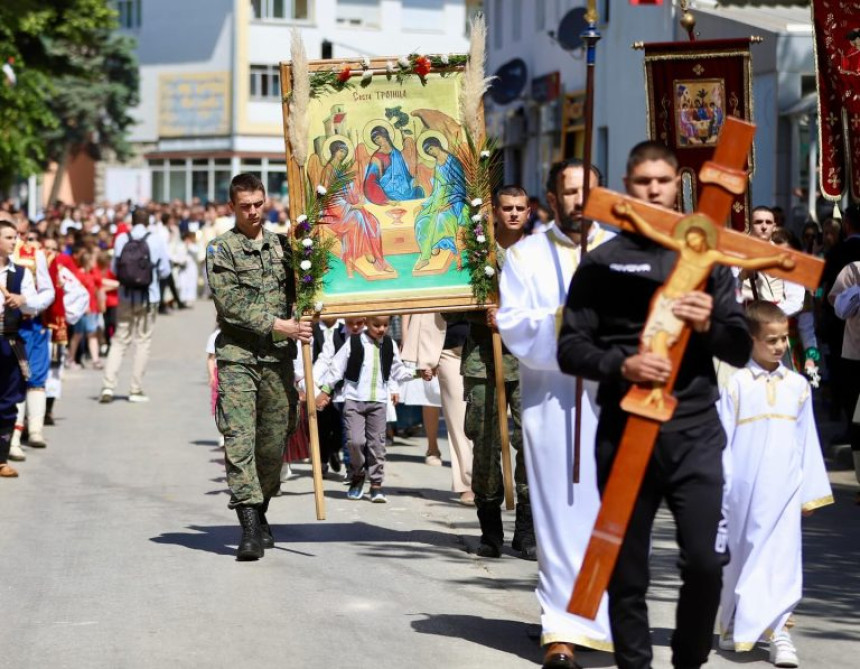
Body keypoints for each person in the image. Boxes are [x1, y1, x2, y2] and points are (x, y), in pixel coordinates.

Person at [557, 141, 752, 669]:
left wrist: (710, 321)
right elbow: (570, 348)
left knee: (706, 563)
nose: (653, 190)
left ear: (677, 186)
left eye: (662, 181)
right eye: (642, 182)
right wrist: (623, 366)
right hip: (624, 430)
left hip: (693, 431)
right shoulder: (600, 263)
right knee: (625, 569)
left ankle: (689, 661)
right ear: (626, 186)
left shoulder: (706, 261)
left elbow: (741, 346)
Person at [497, 162, 614, 667]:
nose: (579, 199)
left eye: (587, 190)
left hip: (612, 403)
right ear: (552, 197)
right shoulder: (525, 255)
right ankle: (561, 627)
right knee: (558, 515)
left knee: (607, 516)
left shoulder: (625, 252)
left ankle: (606, 621)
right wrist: (570, 322)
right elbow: (516, 327)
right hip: (553, 405)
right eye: (569, 191)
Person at [717, 301, 833, 666]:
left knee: (782, 561)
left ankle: (779, 631)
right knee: (743, 557)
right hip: (743, 493)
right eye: (772, 340)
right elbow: (721, 440)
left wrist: (811, 491)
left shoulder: (798, 385)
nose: (781, 346)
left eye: (784, 338)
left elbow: (807, 440)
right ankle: (736, 619)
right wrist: (719, 491)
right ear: (751, 340)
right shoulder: (736, 385)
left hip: (785, 490)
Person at [206, 173, 311, 561]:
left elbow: (306, 289)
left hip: (277, 361)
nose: (253, 212)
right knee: (239, 441)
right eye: (245, 206)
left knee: (272, 444)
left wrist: (306, 314)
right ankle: (248, 526)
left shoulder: (285, 246)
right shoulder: (221, 250)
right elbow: (229, 303)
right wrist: (278, 324)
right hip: (238, 359)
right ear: (232, 207)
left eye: (258, 204)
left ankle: (261, 506)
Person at [456, 185, 535, 561]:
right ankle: (490, 529)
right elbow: (449, 307)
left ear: (529, 211)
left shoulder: (538, 254)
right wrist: (479, 311)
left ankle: (526, 529)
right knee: (486, 443)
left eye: (520, 208)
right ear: (495, 213)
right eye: (507, 208)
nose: (514, 214)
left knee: (531, 445)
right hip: (484, 362)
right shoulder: (476, 255)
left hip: (529, 363)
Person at [316, 315, 422, 503]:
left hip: (378, 403)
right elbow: (336, 368)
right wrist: (325, 390)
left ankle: (376, 484)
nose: (381, 329)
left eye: (385, 325)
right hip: (354, 400)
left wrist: (417, 373)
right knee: (355, 442)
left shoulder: (389, 345)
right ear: (366, 323)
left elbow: (397, 371)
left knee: (377, 446)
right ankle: (357, 475)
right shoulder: (354, 342)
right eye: (376, 325)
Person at [99, 208, 172, 403]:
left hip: (125, 295)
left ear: (132, 221)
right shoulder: (156, 239)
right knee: (143, 341)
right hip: (150, 296)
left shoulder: (122, 238)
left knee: (119, 340)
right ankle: (135, 388)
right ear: (148, 221)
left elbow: (115, 268)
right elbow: (165, 270)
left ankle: (108, 386)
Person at [400, 311, 474, 504]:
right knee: (459, 417)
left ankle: (491, 479)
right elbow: (422, 305)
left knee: (485, 418)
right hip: (448, 349)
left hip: (483, 344)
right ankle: (468, 483)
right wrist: (424, 356)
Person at [8, 224, 55, 460]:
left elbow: (48, 291)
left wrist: (29, 302)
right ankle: (13, 438)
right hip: (9, 326)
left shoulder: (35, 254)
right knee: (12, 381)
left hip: (32, 324)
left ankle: (34, 429)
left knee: (35, 376)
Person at [0, 219, 38, 478]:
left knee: (7, 401)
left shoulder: (21, 273)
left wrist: (22, 299)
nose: (15, 242)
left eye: (15, 237)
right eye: (9, 237)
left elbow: (35, 303)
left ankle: (0, 458)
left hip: (8, 341)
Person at [321, 140, 392, 276]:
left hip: (346, 206)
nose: (342, 154)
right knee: (357, 217)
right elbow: (328, 196)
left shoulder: (341, 169)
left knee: (373, 221)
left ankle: (378, 257)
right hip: (334, 211)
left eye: (344, 152)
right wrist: (351, 207)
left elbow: (348, 190)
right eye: (340, 151)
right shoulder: (329, 170)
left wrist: (357, 197)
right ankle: (367, 253)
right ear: (334, 151)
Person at [828, 259, 860, 498]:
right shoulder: (853, 269)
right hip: (854, 354)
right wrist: (852, 298)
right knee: (857, 422)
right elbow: (834, 300)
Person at [413, 137, 470, 271]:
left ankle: (425, 257)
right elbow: (437, 188)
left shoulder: (453, 161)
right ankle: (431, 248)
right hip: (439, 199)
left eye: (431, 148)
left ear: (437, 145)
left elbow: (460, 185)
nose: (431, 152)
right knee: (421, 219)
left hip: (455, 200)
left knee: (440, 218)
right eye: (428, 151)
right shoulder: (437, 165)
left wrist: (449, 203)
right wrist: (427, 203)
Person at [363, 126, 424, 204]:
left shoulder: (397, 153)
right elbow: (370, 181)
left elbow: (405, 174)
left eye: (378, 137)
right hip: (389, 192)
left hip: (404, 188)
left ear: (385, 135)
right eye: (374, 140)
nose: (377, 141)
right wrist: (385, 200)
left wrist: (413, 180)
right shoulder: (376, 157)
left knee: (418, 191)